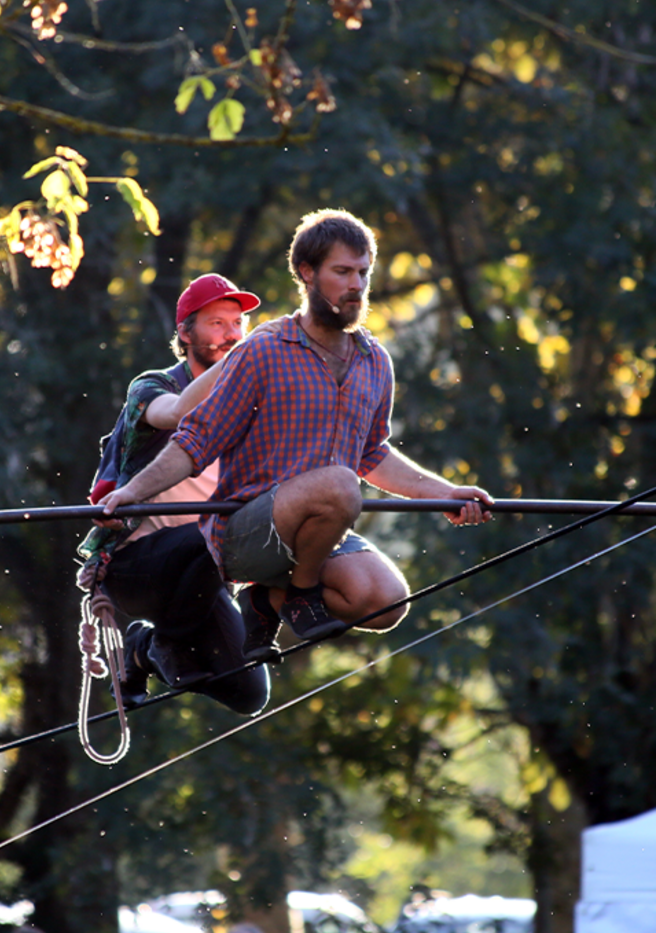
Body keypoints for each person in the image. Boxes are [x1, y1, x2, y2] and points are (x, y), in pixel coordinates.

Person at [101, 209, 493, 661]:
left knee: (386, 601)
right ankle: (298, 593)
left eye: (363, 272)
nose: (357, 285)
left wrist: (446, 494)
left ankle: (266, 602)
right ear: (307, 274)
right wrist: (130, 492)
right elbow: (196, 440)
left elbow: (373, 454)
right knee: (341, 485)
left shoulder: (375, 361)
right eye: (342, 272)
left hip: (322, 528)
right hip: (246, 532)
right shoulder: (265, 349)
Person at [78, 273, 269, 713]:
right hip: (136, 565)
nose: (233, 335)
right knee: (223, 529)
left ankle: (146, 649)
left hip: (205, 568)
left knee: (249, 693)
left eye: (238, 324)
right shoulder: (152, 386)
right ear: (185, 333)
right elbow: (178, 412)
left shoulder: (253, 405)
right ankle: (162, 642)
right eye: (217, 323)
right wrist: (247, 357)